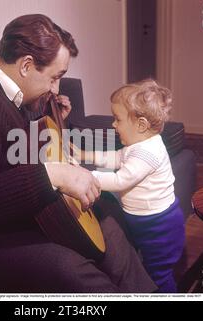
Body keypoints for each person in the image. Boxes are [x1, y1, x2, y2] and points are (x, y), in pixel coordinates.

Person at [0, 14, 156, 293]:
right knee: (66, 267)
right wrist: (52, 174)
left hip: (2, 216)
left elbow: (12, 145)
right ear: (27, 65)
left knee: (106, 216)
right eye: (54, 78)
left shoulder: (8, 94)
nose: (56, 88)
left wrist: (52, 117)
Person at [77, 79, 185, 292]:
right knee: (144, 265)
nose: (113, 125)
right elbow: (117, 158)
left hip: (159, 226)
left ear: (141, 124)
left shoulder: (148, 152)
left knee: (159, 274)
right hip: (144, 221)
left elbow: (120, 180)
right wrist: (85, 154)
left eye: (117, 119)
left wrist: (85, 176)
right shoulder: (137, 145)